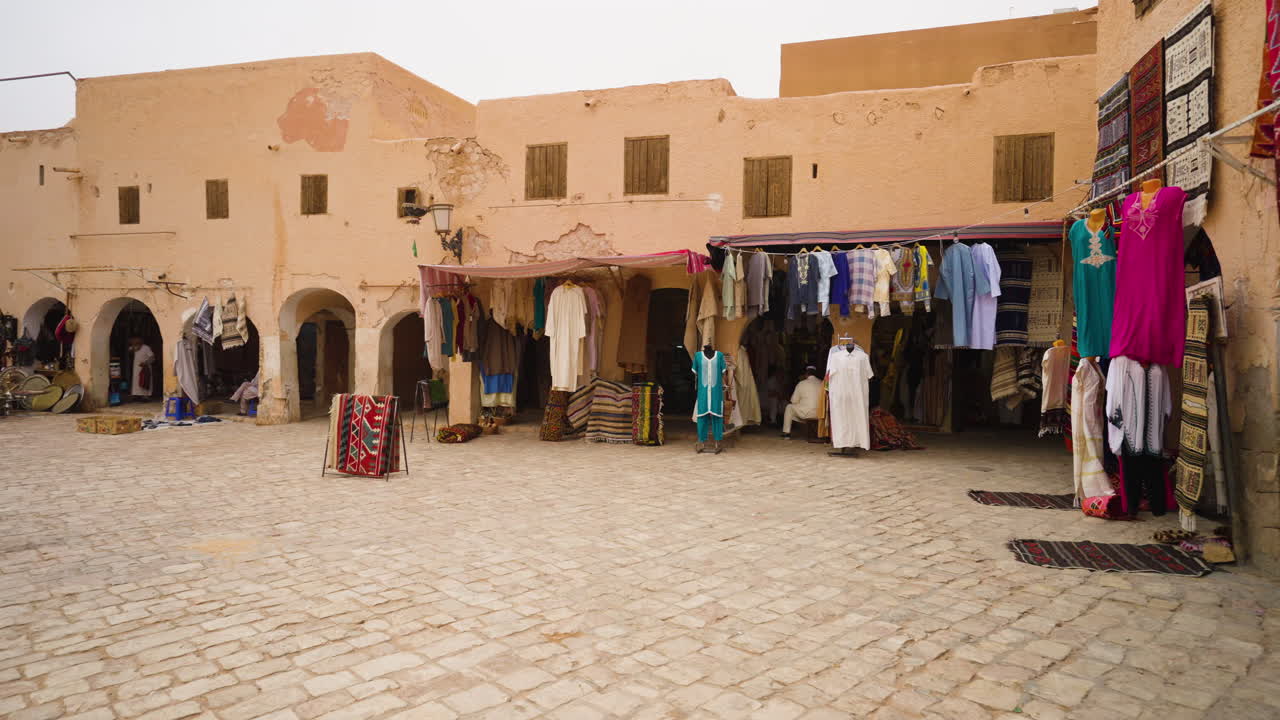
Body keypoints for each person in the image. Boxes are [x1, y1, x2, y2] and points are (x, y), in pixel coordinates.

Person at [782, 366, 823, 438]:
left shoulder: (801, 383)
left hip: (806, 413)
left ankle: (786, 433)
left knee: (789, 407)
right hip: (820, 414)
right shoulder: (822, 383)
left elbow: (793, 401)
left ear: (806, 374)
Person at [128, 336, 155, 401]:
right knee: (136, 381)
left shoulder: (146, 348)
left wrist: (145, 363)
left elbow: (152, 357)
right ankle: (136, 395)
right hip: (136, 368)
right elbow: (129, 353)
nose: (134, 342)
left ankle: (145, 396)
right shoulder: (133, 348)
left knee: (145, 381)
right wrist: (132, 349)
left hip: (144, 367)